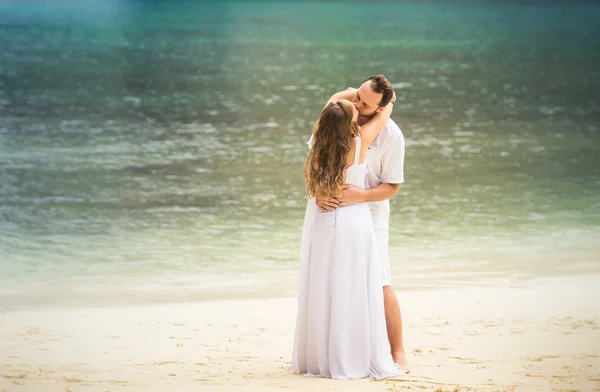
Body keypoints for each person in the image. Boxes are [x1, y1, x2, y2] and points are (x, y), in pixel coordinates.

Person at [292, 97, 403, 379]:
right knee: (353, 287)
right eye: (355, 110)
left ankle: (321, 355)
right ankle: (352, 354)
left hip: (324, 220)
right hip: (353, 220)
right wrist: (386, 102)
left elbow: (332, 103)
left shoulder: (319, 141)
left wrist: (354, 97)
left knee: (324, 285)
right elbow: (383, 114)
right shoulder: (358, 144)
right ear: (349, 124)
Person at [314, 74, 408, 372]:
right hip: (336, 210)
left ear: (380, 109)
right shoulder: (337, 120)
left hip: (372, 212)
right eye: (356, 96)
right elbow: (316, 162)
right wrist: (318, 192)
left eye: (364, 103)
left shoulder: (391, 136)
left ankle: (398, 350)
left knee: (379, 281)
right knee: (336, 279)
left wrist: (360, 196)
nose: (355, 103)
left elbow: (392, 187)